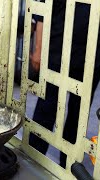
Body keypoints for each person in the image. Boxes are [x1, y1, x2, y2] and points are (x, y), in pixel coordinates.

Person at [29, 1, 100, 168]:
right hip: (56, 55)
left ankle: (69, 167)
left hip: (91, 60)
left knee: (78, 117)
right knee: (46, 110)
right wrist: (38, 49)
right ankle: (33, 158)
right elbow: (42, 14)